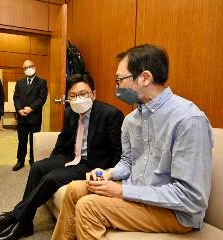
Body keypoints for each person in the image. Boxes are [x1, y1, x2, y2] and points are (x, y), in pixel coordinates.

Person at [51, 44, 214, 240]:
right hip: (137, 191)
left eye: (119, 79)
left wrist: (122, 191)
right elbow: (128, 161)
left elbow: (190, 197)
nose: (116, 86)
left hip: (175, 212)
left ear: (145, 77)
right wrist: (109, 174)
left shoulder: (188, 120)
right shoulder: (131, 120)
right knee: (74, 190)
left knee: (89, 207)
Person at [0, 74, 124, 240]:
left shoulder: (111, 114)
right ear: (68, 98)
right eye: (73, 95)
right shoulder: (70, 112)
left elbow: (118, 153)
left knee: (51, 178)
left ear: (94, 94)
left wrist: (109, 175)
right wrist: (52, 161)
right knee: (38, 167)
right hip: (70, 156)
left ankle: (15, 216)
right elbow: (63, 139)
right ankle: (25, 223)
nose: (78, 99)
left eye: (83, 94)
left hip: (91, 164)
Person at [12, 60, 48, 171]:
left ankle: (33, 161)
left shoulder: (42, 82)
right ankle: (20, 161)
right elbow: (16, 97)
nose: (28, 68)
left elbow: (42, 98)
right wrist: (19, 109)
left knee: (34, 140)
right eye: (25, 67)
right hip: (22, 116)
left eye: (30, 66)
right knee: (22, 140)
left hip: (34, 117)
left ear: (34, 67)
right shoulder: (19, 82)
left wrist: (31, 108)